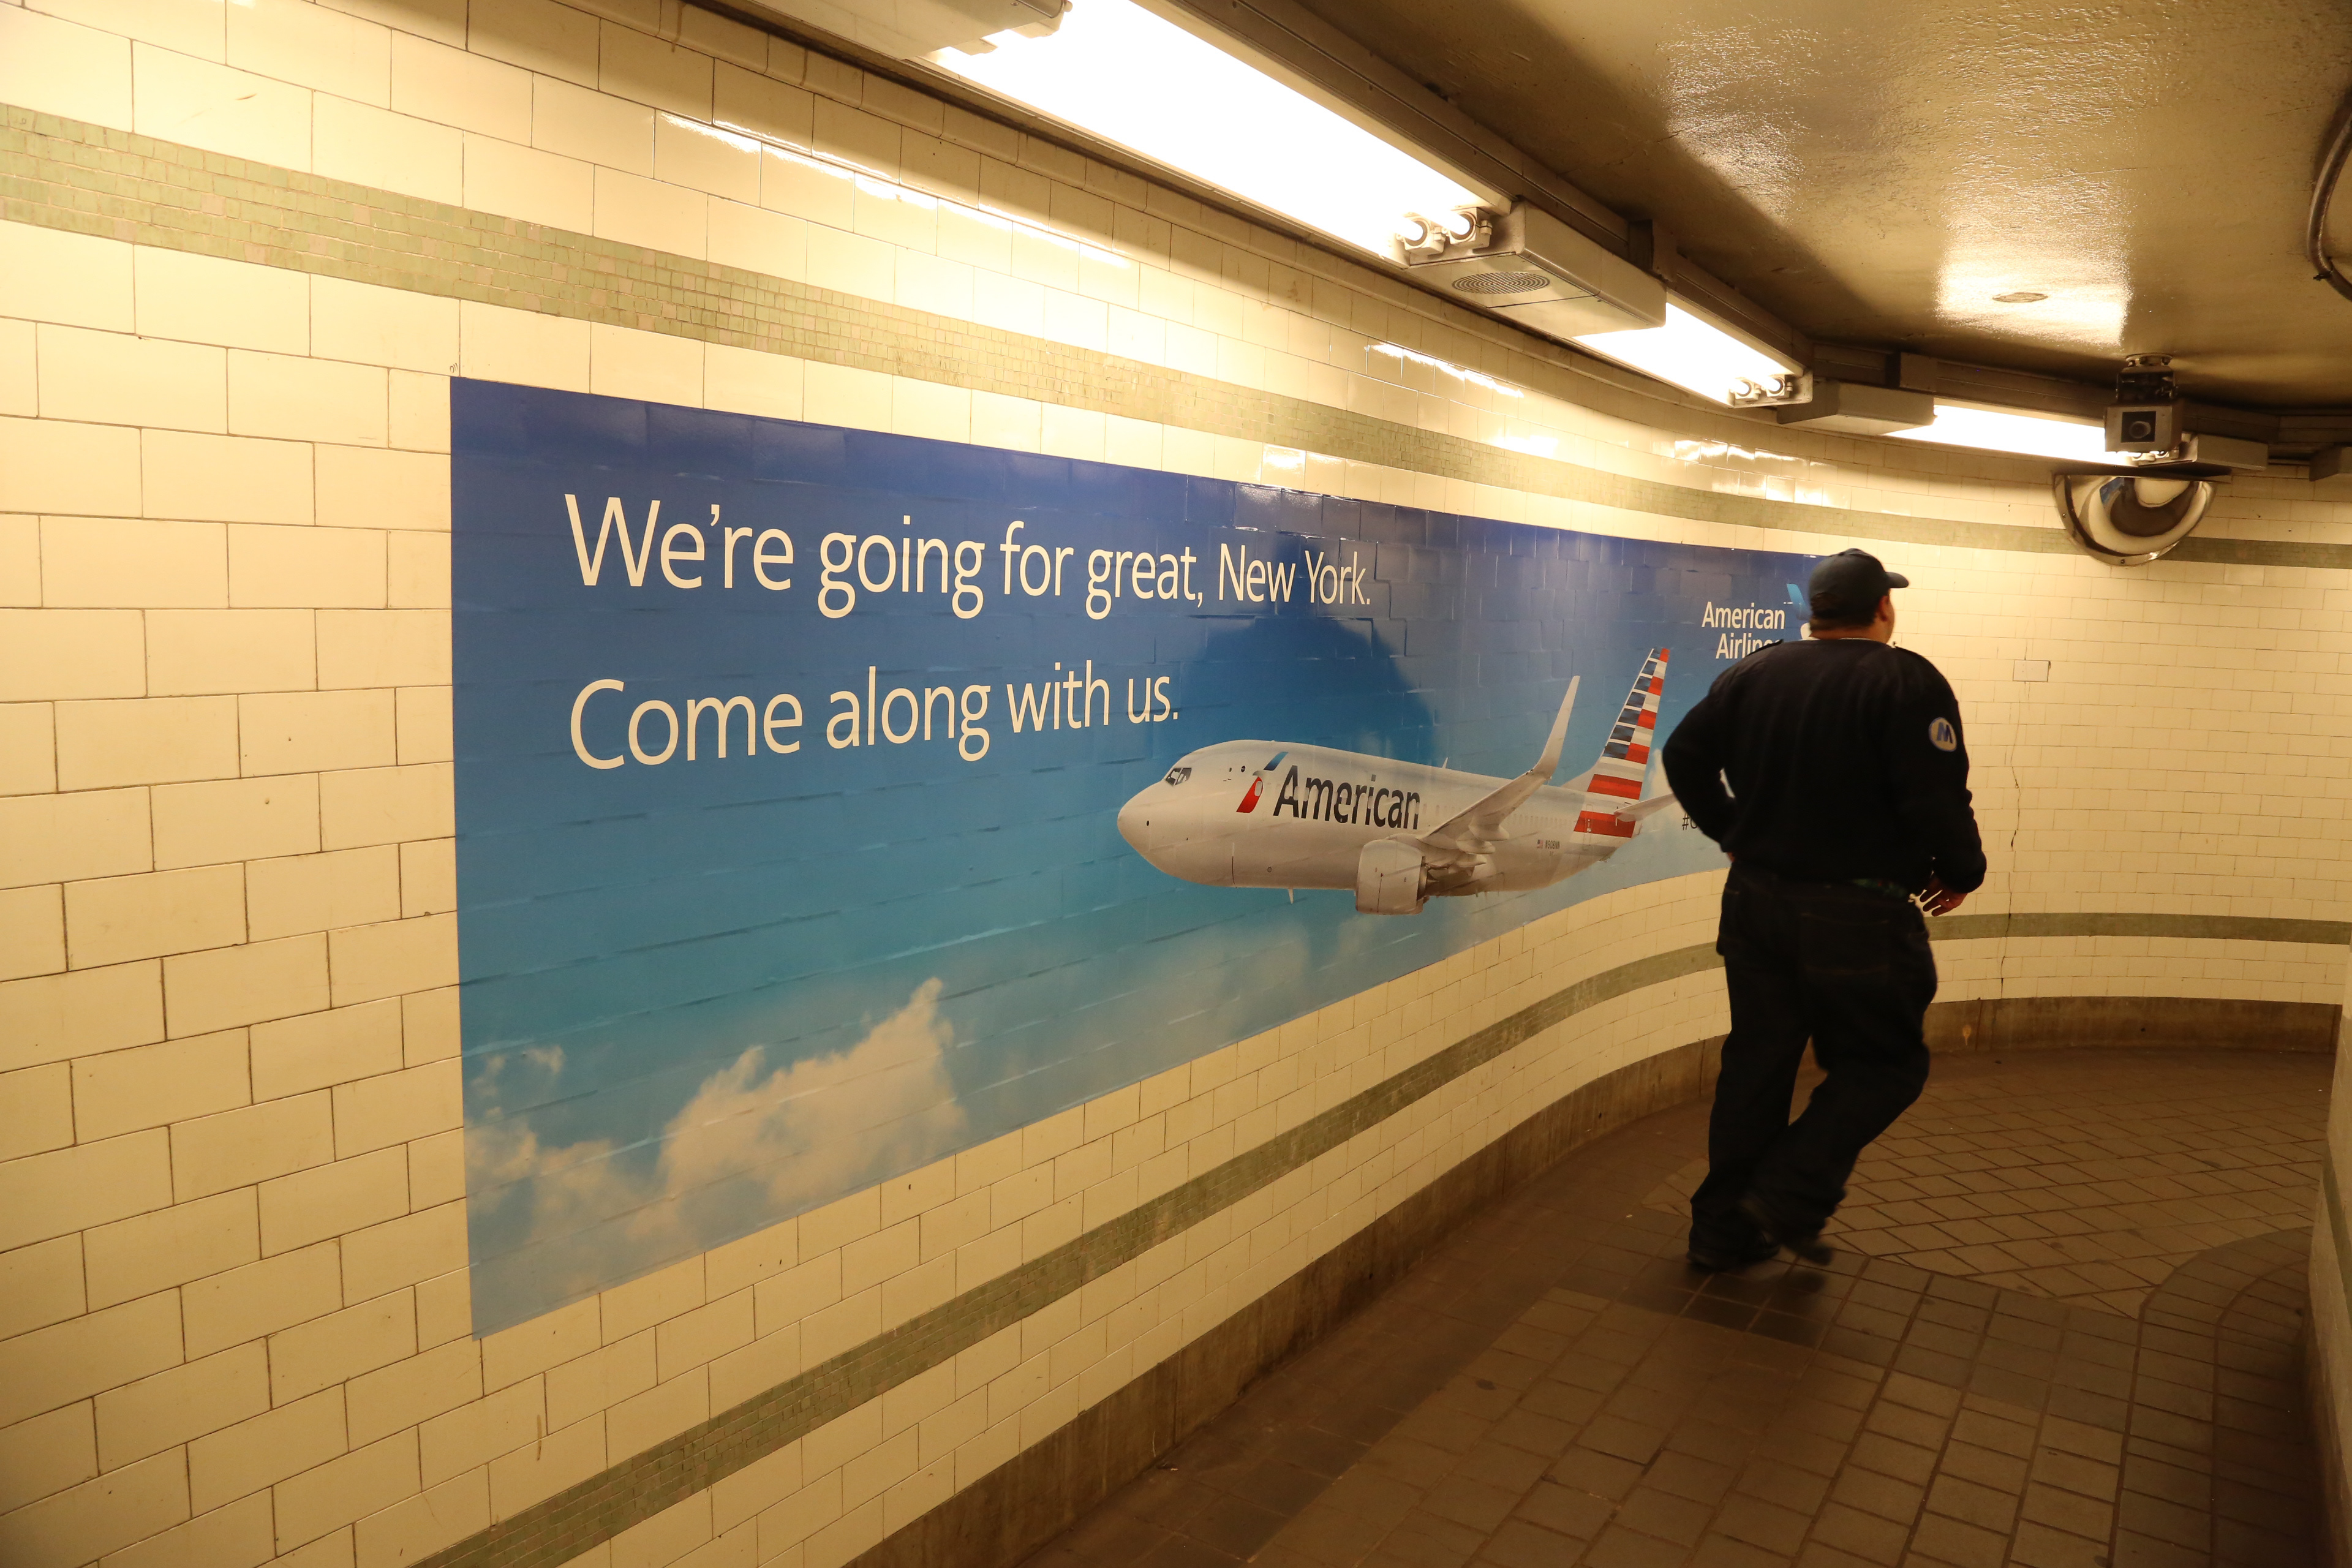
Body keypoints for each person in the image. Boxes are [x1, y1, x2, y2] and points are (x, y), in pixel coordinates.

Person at [1659, 548, 1986, 1271]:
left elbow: (1683, 755)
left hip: (1756, 905)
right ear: (1884, 607)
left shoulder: (1754, 672)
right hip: (1860, 915)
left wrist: (1734, 831)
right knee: (1886, 1065)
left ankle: (1721, 1232)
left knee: (1757, 1065)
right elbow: (1937, 796)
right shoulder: (1906, 681)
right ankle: (1787, 1192)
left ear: (1817, 613)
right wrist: (1964, 871)